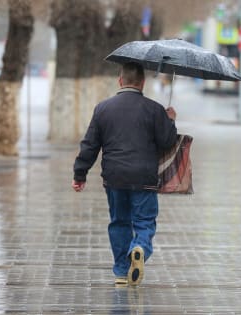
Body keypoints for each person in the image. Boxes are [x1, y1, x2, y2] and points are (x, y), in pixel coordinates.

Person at [72, 62, 177, 286]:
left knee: (119, 222)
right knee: (144, 222)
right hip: (144, 178)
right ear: (143, 83)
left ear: (120, 81)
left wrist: (79, 174)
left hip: (114, 177)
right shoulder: (154, 109)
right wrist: (169, 120)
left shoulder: (103, 108)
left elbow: (90, 145)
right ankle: (139, 247)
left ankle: (121, 272)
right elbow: (167, 142)